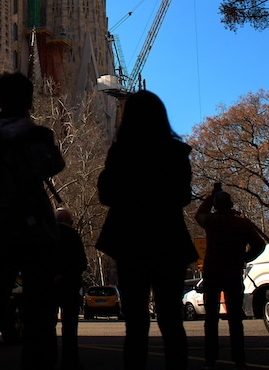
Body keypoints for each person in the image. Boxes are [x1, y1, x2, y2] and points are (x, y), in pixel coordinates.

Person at [0, 71, 65, 370]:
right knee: (40, 309)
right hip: (33, 230)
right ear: (29, 100)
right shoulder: (38, 136)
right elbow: (55, 163)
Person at [95, 90, 193, 370]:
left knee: (135, 323)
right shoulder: (176, 152)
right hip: (168, 240)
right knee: (171, 320)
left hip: (130, 241)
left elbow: (105, 194)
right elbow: (184, 197)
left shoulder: (121, 152)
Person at [194, 184, 267, 369]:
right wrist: (244, 258)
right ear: (231, 204)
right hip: (233, 272)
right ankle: (238, 357)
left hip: (212, 273)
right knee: (235, 318)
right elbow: (259, 244)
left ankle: (211, 357)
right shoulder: (242, 223)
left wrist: (211, 196)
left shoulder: (212, 221)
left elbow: (198, 214)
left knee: (211, 318)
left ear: (217, 206)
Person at [52, 207, 88, 370]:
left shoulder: (49, 235)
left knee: (48, 325)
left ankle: (49, 358)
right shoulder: (73, 236)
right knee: (70, 327)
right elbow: (82, 263)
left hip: (50, 287)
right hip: (70, 287)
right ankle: (70, 361)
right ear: (70, 222)